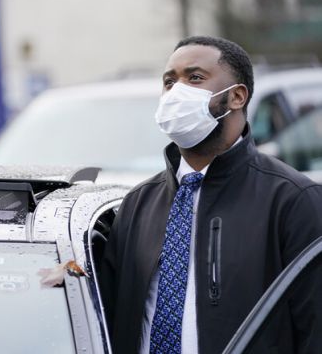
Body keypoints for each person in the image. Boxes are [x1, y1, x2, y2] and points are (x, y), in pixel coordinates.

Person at [100, 36, 322, 354]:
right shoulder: (139, 203)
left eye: (195, 78)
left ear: (236, 96)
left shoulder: (293, 201)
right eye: (169, 81)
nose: (177, 91)